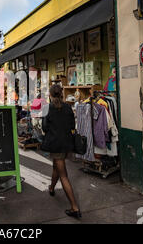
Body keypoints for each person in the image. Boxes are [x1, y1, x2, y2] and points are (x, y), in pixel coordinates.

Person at [41, 84, 81, 219]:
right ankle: (51, 188)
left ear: (50, 95)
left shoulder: (48, 108)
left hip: (56, 144)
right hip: (67, 143)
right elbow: (72, 125)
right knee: (56, 167)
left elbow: (45, 127)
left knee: (63, 175)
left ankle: (75, 207)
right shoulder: (68, 107)